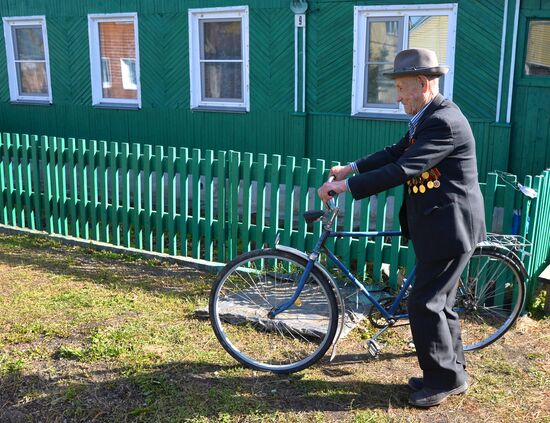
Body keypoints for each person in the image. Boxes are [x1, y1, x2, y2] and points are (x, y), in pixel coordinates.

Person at [318, 48, 486, 408]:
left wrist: (344, 188)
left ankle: (441, 381)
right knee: (441, 304)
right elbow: (396, 152)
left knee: (425, 304)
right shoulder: (428, 118)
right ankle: (450, 375)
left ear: (423, 84)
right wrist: (352, 168)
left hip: (449, 227)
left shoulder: (443, 122)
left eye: (401, 88)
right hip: (440, 224)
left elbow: (402, 170)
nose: (397, 97)